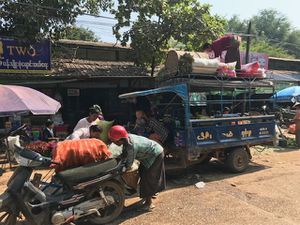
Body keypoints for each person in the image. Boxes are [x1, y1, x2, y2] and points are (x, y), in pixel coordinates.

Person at [108, 125, 166, 211]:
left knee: (148, 179)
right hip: (147, 155)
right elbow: (125, 154)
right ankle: (151, 192)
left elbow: (129, 163)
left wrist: (119, 170)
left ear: (120, 139)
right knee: (143, 173)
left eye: (115, 141)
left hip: (155, 155)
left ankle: (149, 204)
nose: (115, 143)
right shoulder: (127, 139)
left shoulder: (132, 146)